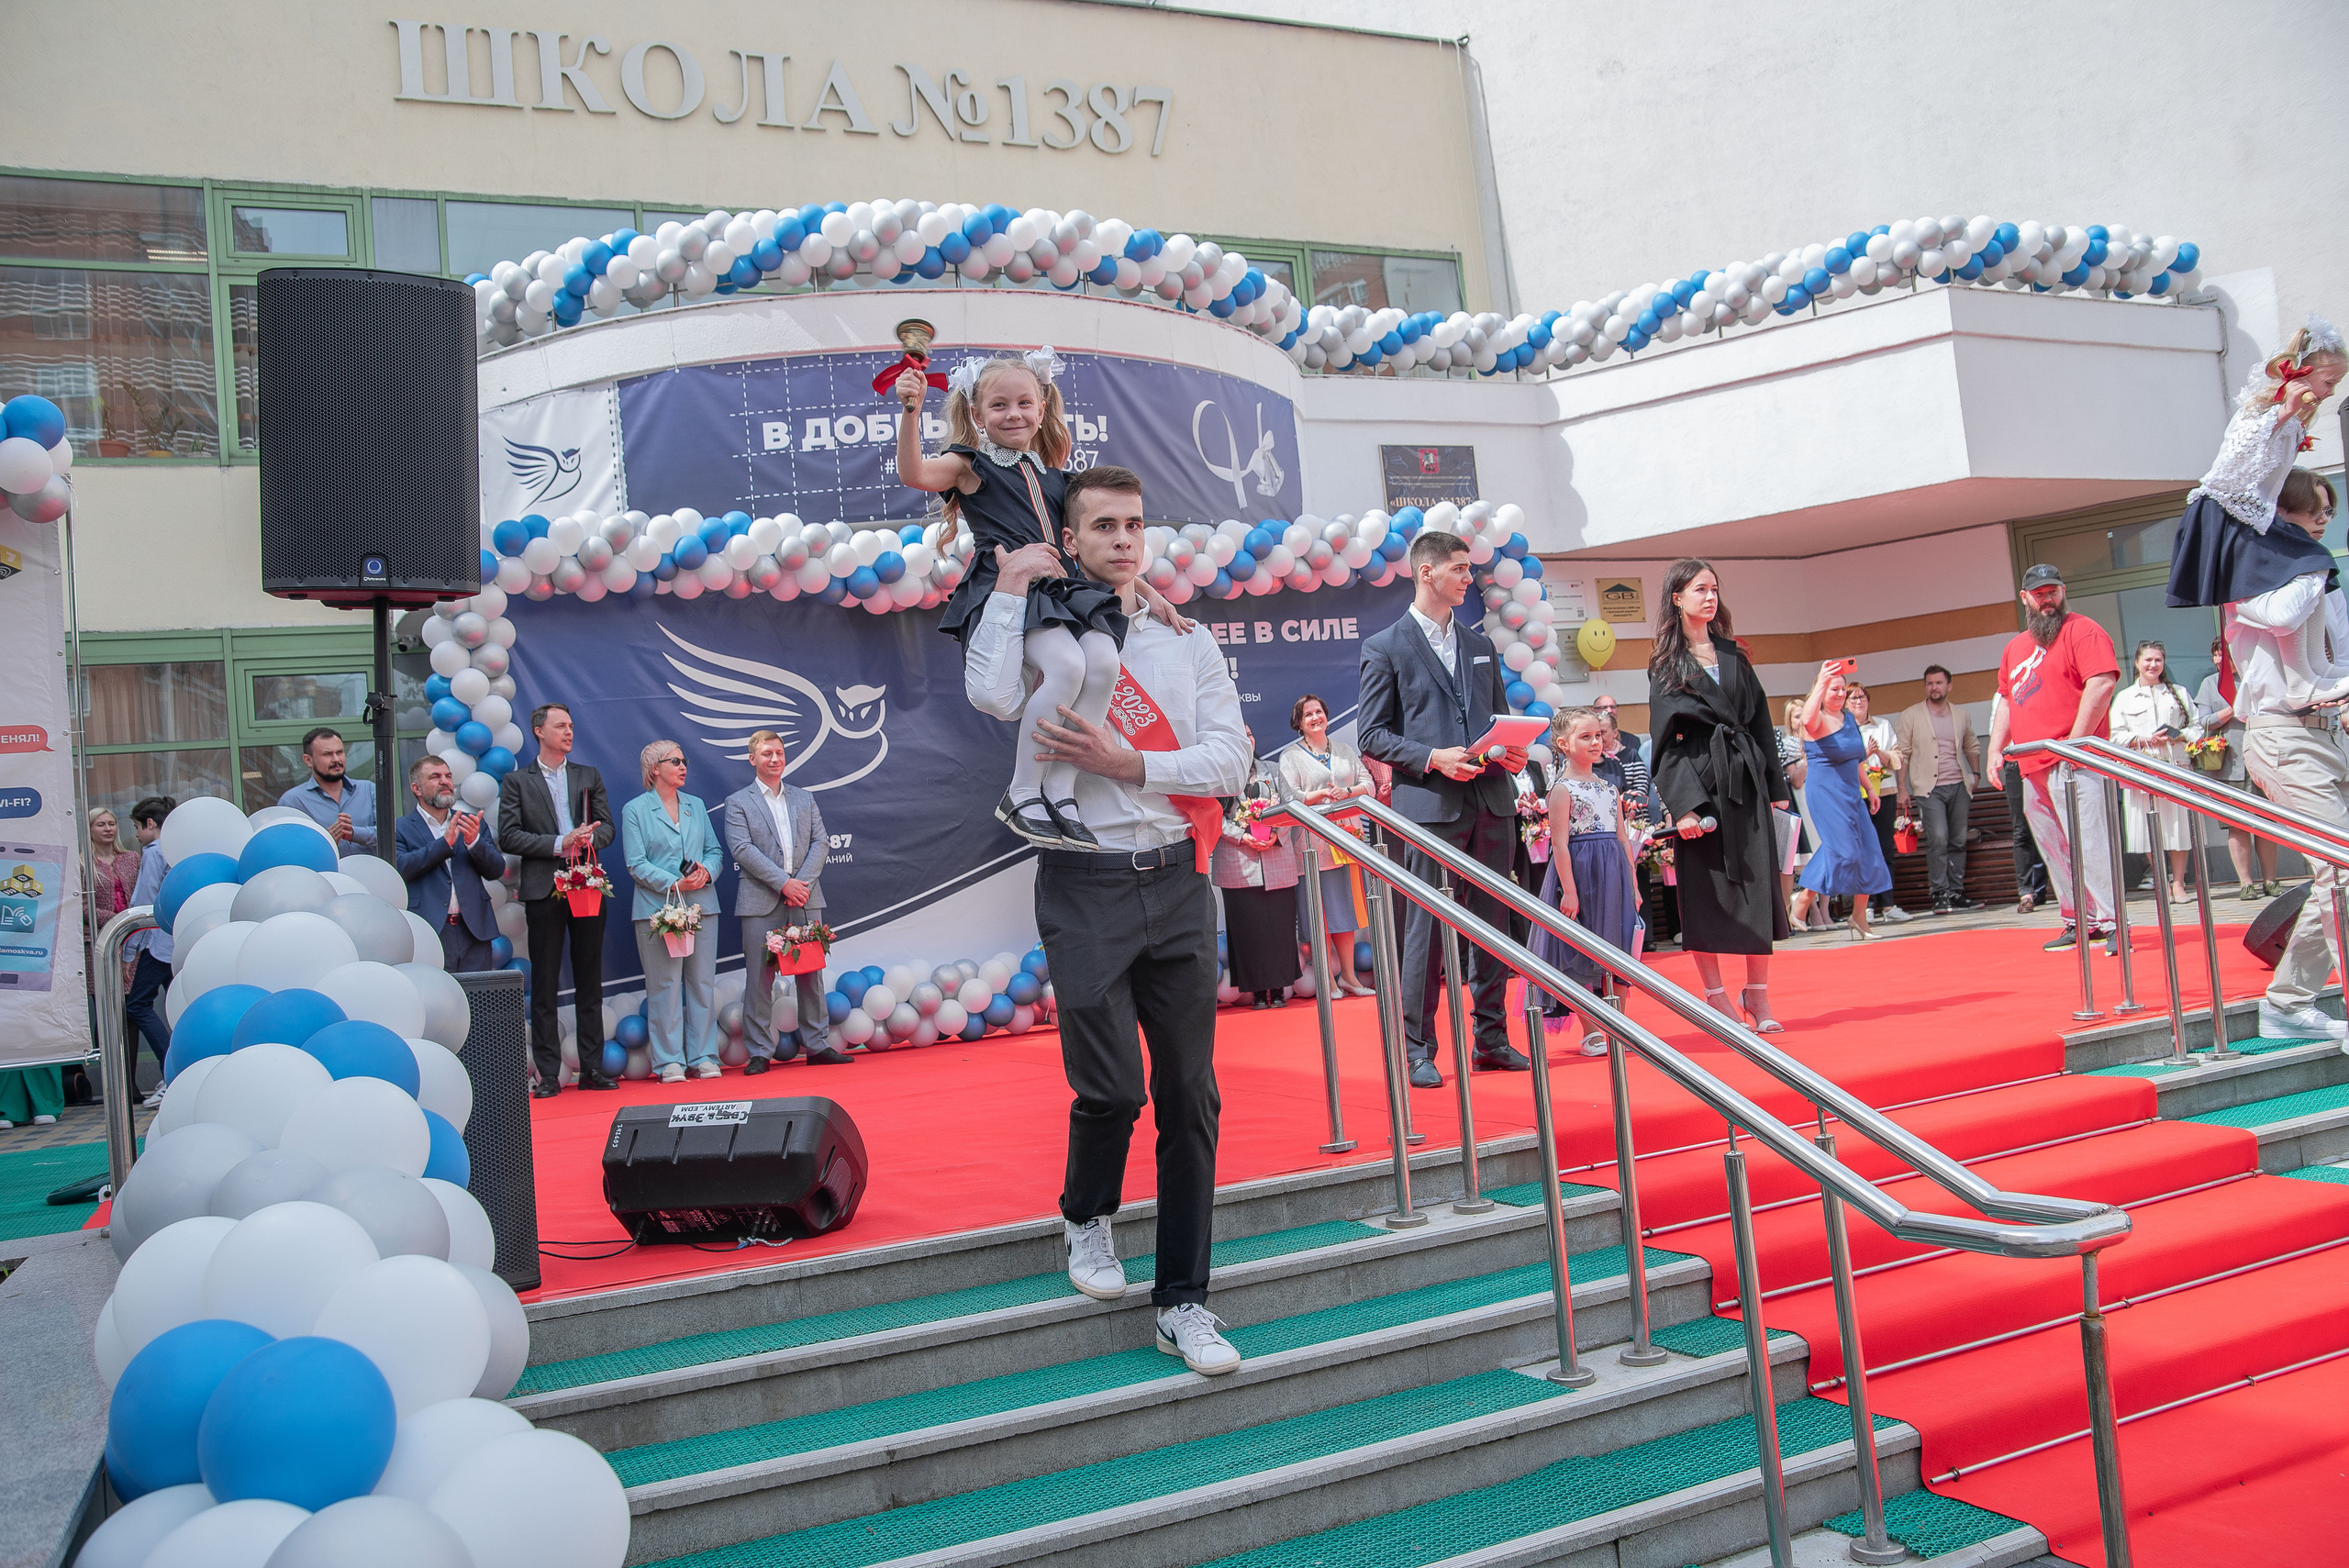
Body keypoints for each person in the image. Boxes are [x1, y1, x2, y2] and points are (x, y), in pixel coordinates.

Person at [964, 464, 1252, 1374]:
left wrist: (1131, 764)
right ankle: (1087, 1212)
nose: (1125, 539)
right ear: (1074, 539)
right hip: (1081, 880)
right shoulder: (1049, 630)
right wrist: (1011, 586)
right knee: (1114, 1089)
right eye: (1104, 527)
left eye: (1135, 524)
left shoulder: (1185, 639)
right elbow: (990, 696)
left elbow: (1230, 759)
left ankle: (1184, 1301)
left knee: (1191, 1098)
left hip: (1174, 882)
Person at [896, 349, 1182, 849]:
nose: (1014, 415)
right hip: (1007, 589)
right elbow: (915, 473)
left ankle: (1062, 790)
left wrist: (1148, 592)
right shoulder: (970, 465)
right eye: (1000, 406)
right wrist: (911, 412)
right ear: (978, 415)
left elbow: (1090, 549)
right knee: (1067, 666)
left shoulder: (1061, 478)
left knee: (1102, 661)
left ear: (1043, 408)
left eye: (1025, 403)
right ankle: (1022, 791)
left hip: (1061, 590)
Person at [1357, 528, 1534, 1089]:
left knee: (1493, 928)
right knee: (1424, 933)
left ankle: (1492, 1039)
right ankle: (1416, 1048)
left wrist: (1512, 750)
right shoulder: (1385, 646)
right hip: (1429, 808)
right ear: (1426, 572)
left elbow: (1497, 718)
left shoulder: (1481, 645)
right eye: (1459, 568)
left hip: (1490, 802)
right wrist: (1433, 757)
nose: (1469, 578)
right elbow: (1372, 734)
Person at [2220, 468, 2349, 1040]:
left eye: (2329, 512)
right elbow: (2282, 617)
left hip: (2327, 731)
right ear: (2282, 516)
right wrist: (2312, 565)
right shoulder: (2257, 579)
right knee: (2340, 869)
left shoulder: (2317, 577)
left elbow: (2334, 659)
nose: (2325, 522)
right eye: (2315, 511)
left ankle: (2295, 994)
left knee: (2341, 874)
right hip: (2280, 735)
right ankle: (2288, 1003)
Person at [1647, 560, 1794, 1029]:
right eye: (1699, 589)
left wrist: (1775, 787)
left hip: (1747, 781)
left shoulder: (1735, 656)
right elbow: (1666, 744)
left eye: (1714, 589)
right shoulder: (1666, 665)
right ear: (1677, 597)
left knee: (1759, 887)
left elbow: (1760, 724)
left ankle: (1758, 994)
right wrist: (1685, 806)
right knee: (1705, 893)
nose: (1710, 597)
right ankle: (1714, 995)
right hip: (1701, 787)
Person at [1986, 563, 2122, 953]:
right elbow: (2009, 700)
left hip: (2075, 760)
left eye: (2053, 591)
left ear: (2063, 591)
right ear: (2025, 598)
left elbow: (2102, 683)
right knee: (2055, 848)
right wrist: (1996, 748)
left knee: (2091, 843)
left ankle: (2113, 922)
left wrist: (2075, 745)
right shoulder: (2015, 647)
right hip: (2032, 764)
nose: (2047, 599)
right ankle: (2080, 921)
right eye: (2039, 593)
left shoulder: (2083, 629)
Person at [2166, 315, 2345, 613]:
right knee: (2313, 563)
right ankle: (2256, 618)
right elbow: (2230, 467)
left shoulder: (2290, 423)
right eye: (2329, 382)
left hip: (2255, 517)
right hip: (2227, 515)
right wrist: (2284, 412)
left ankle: (2314, 658)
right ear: (2301, 375)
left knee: (2318, 566)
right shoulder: (2261, 413)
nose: (2331, 392)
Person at [496, 703, 616, 1097]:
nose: (568, 732)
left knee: (589, 981)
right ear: (538, 732)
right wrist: (556, 843)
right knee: (545, 983)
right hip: (543, 888)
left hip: (586, 885)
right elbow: (509, 836)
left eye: (571, 726)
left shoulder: (587, 775)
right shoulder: (517, 781)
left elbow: (608, 829)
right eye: (560, 726)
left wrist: (586, 839)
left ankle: (592, 1068)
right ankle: (548, 1074)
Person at [722, 728, 850, 1071]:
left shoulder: (804, 798)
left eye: (779, 752)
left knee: (811, 974)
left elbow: (821, 842)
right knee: (759, 977)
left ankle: (818, 1045)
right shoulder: (738, 802)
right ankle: (760, 1052)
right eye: (767, 754)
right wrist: (784, 884)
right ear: (753, 759)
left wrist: (800, 884)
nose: (774, 759)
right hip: (760, 900)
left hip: (805, 898)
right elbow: (742, 849)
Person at [1531, 706, 1642, 1057]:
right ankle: (1592, 1029)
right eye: (1586, 736)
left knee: (1618, 947)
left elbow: (1624, 839)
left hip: (1614, 874)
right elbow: (1559, 843)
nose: (1596, 742)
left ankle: (1619, 1025)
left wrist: (1634, 885)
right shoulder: (1562, 790)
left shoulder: (1610, 787)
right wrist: (1571, 890)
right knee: (1579, 951)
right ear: (1563, 744)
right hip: (1580, 874)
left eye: (1598, 735)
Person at [622, 739, 726, 1083]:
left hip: (702, 906)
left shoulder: (695, 805)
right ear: (655, 769)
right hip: (658, 910)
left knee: (701, 983)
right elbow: (636, 863)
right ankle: (669, 1061)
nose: (683, 767)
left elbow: (714, 851)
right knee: (664, 986)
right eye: (675, 761)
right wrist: (674, 883)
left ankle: (704, 1056)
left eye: (684, 761)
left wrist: (706, 872)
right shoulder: (635, 810)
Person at [1787, 665, 1894, 943]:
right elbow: (1807, 719)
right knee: (1843, 851)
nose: (1838, 694)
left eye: (1841, 690)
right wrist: (1823, 680)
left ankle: (1858, 916)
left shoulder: (1847, 718)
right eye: (1832, 689)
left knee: (1871, 853)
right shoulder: (1817, 719)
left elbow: (1855, 758)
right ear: (1821, 691)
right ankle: (1804, 895)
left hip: (1852, 792)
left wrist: (1869, 789)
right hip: (1826, 793)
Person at [1276, 695, 1374, 996]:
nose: (1316, 717)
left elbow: (1369, 784)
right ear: (1299, 723)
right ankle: (1327, 979)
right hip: (1313, 846)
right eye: (1308, 714)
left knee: (1344, 913)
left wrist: (1346, 792)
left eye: (1319, 711)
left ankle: (1349, 977)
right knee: (1318, 915)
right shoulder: (1290, 756)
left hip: (1347, 842)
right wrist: (1316, 796)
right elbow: (1287, 796)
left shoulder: (1344, 750)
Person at [1214, 732, 1303, 1008]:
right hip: (1239, 862)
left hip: (1276, 859)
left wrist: (1277, 833)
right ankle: (1256, 993)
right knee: (1247, 931)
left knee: (1280, 929)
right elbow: (1213, 816)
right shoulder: (1221, 774)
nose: (1246, 738)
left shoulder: (1273, 770)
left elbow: (1292, 808)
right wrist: (1241, 836)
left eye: (1250, 734)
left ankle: (1278, 991)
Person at [2109, 640, 2201, 903]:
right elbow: (2115, 736)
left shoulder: (2179, 693)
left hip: (2175, 769)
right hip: (2142, 771)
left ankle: (2179, 884)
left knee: (2178, 828)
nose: (2153, 665)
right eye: (2147, 660)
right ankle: (2161, 883)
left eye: (2158, 660)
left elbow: (2197, 728)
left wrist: (2178, 736)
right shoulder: (2124, 697)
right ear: (2137, 663)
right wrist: (2146, 739)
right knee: (2148, 830)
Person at [395, 755, 507, 973]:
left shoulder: (471, 822)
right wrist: (443, 845)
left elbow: (496, 870)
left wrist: (475, 842)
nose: (445, 781)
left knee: (478, 1002)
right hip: (431, 930)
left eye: (448, 776)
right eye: (435, 777)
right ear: (416, 788)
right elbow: (401, 869)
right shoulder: (401, 828)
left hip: (473, 930)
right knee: (440, 1002)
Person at [2195, 634, 2279, 898]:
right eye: (2217, 654)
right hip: (2229, 764)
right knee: (2237, 824)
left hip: (2261, 758)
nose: (2220, 659)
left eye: (2226, 654)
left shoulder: (2255, 677)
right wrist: (2233, 708)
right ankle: (2246, 883)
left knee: (2266, 822)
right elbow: (2205, 721)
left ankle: (2271, 881)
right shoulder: (2210, 684)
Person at [1894, 666, 1984, 914]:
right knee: (1939, 838)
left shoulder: (1961, 715)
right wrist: (1902, 788)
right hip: (1928, 789)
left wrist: (1975, 774)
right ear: (1925, 687)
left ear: (1949, 686)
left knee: (1958, 840)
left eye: (1939, 683)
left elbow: (1971, 744)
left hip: (1959, 785)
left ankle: (1956, 892)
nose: (1934, 687)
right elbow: (1902, 753)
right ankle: (1939, 893)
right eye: (1930, 683)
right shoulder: (1911, 715)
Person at [119, 795, 176, 1106]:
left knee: (137, 1004)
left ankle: (172, 1073)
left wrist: (129, 952)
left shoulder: (154, 852)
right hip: (177, 941)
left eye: (138, 828)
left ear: (150, 824)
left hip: (158, 944)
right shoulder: (178, 849)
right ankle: (178, 1069)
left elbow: (143, 902)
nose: (137, 835)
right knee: (177, 1008)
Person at [1844, 683, 1914, 923]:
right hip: (1857, 795)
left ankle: (1888, 904)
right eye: (1852, 699)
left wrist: (1879, 753)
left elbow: (1897, 759)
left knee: (1885, 849)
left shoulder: (1882, 725)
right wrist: (1865, 753)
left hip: (1884, 792)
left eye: (1861, 697)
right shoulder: (1843, 728)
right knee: (1863, 850)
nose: (1858, 702)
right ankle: (1867, 906)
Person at [1991, 694, 2054, 913]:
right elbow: (1998, 728)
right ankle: (2026, 893)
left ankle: (2056, 889)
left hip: (2045, 757)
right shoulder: (2002, 696)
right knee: (2022, 829)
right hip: (2015, 761)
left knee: (2052, 825)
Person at [277, 727, 377, 856]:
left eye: (340, 752)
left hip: (369, 873)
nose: (336, 759)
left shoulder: (368, 790)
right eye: (327, 754)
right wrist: (324, 840)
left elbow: (391, 834)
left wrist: (354, 833)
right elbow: (287, 849)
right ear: (308, 760)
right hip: (323, 875)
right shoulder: (292, 801)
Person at [1774, 700, 1821, 930]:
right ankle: (1789, 915)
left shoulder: (1770, 734)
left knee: (1789, 862)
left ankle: (1791, 916)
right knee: (1784, 862)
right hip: (1785, 799)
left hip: (1790, 799)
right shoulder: (1784, 739)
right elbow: (1795, 778)